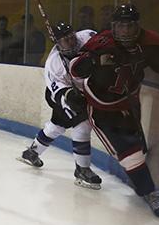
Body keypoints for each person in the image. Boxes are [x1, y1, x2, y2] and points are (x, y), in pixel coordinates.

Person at [70, 3, 159, 219]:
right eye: (120, 26)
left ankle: (140, 181)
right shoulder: (102, 42)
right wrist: (94, 60)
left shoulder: (148, 40)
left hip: (129, 103)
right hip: (101, 108)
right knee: (129, 155)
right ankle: (150, 192)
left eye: (129, 26)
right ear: (113, 26)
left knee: (138, 149)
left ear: (137, 26)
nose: (124, 31)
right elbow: (75, 69)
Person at [20, 22, 102, 189]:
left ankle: (32, 152)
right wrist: (71, 96)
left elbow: (104, 43)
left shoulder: (87, 35)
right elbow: (58, 92)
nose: (71, 42)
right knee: (82, 123)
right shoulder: (54, 63)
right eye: (65, 40)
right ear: (57, 43)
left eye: (71, 36)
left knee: (57, 125)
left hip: (80, 91)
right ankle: (82, 169)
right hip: (62, 95)